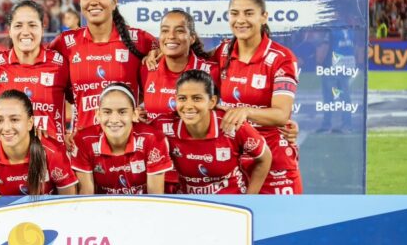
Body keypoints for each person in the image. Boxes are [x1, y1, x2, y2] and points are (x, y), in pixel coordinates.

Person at [214, 0, 302, 194]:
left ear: (264, 17)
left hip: (275, 163)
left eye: (248, 13)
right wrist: (157, 52)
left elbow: (281, 114)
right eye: (234, 13)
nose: (240, 20)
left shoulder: (281, 58)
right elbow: (190, 63)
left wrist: (246, 112)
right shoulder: (223, 51)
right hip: (233, 160)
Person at [49, 0, 157, 131]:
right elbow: (38, 73)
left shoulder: (138, 39)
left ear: (114, 2)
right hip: (82, 142)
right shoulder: (65, 43)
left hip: (127, 141)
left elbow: (173, 55)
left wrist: (143, 107)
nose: (93, 1)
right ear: (80, 2)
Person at [141, 10, 219, 193]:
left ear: (192, 38)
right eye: (165, 30)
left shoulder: (212, 72)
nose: (171, 36)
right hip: (157, 173)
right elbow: (135, 106)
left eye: (179, 30)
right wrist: (136, 114)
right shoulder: (147, 69)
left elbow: (226, 112)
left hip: (198, 175)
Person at [162, 70, 271, 194]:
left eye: (197, 99)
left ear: (212, 102)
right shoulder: (165, 126)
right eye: (182, 98)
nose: (188, 106)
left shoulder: (232, 124)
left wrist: (250, 198)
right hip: (189, 202)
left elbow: (265, 157)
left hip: (231, 201)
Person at [0, 0, 72, 144]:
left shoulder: (60, 63)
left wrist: (72, 132)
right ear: (9, 31)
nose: (26, 32)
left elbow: (79, 98)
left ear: (42, 28)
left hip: (52, 154)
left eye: (32, 25)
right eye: (18, 25)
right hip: (8, 154)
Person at [0, 90, 78, 196]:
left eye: (14, 119)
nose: (6, 128)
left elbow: (68, 204)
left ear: (30, 122)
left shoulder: (54, 153)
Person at [71, 83, 172, 195]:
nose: (114, 119)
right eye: (107, 112)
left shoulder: (153, 139)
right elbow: (86, 195)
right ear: (98, 114)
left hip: (143, 205)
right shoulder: (83, 140)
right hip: (101, 205)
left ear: (134, 114)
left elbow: (155, 196)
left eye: (122, 112)